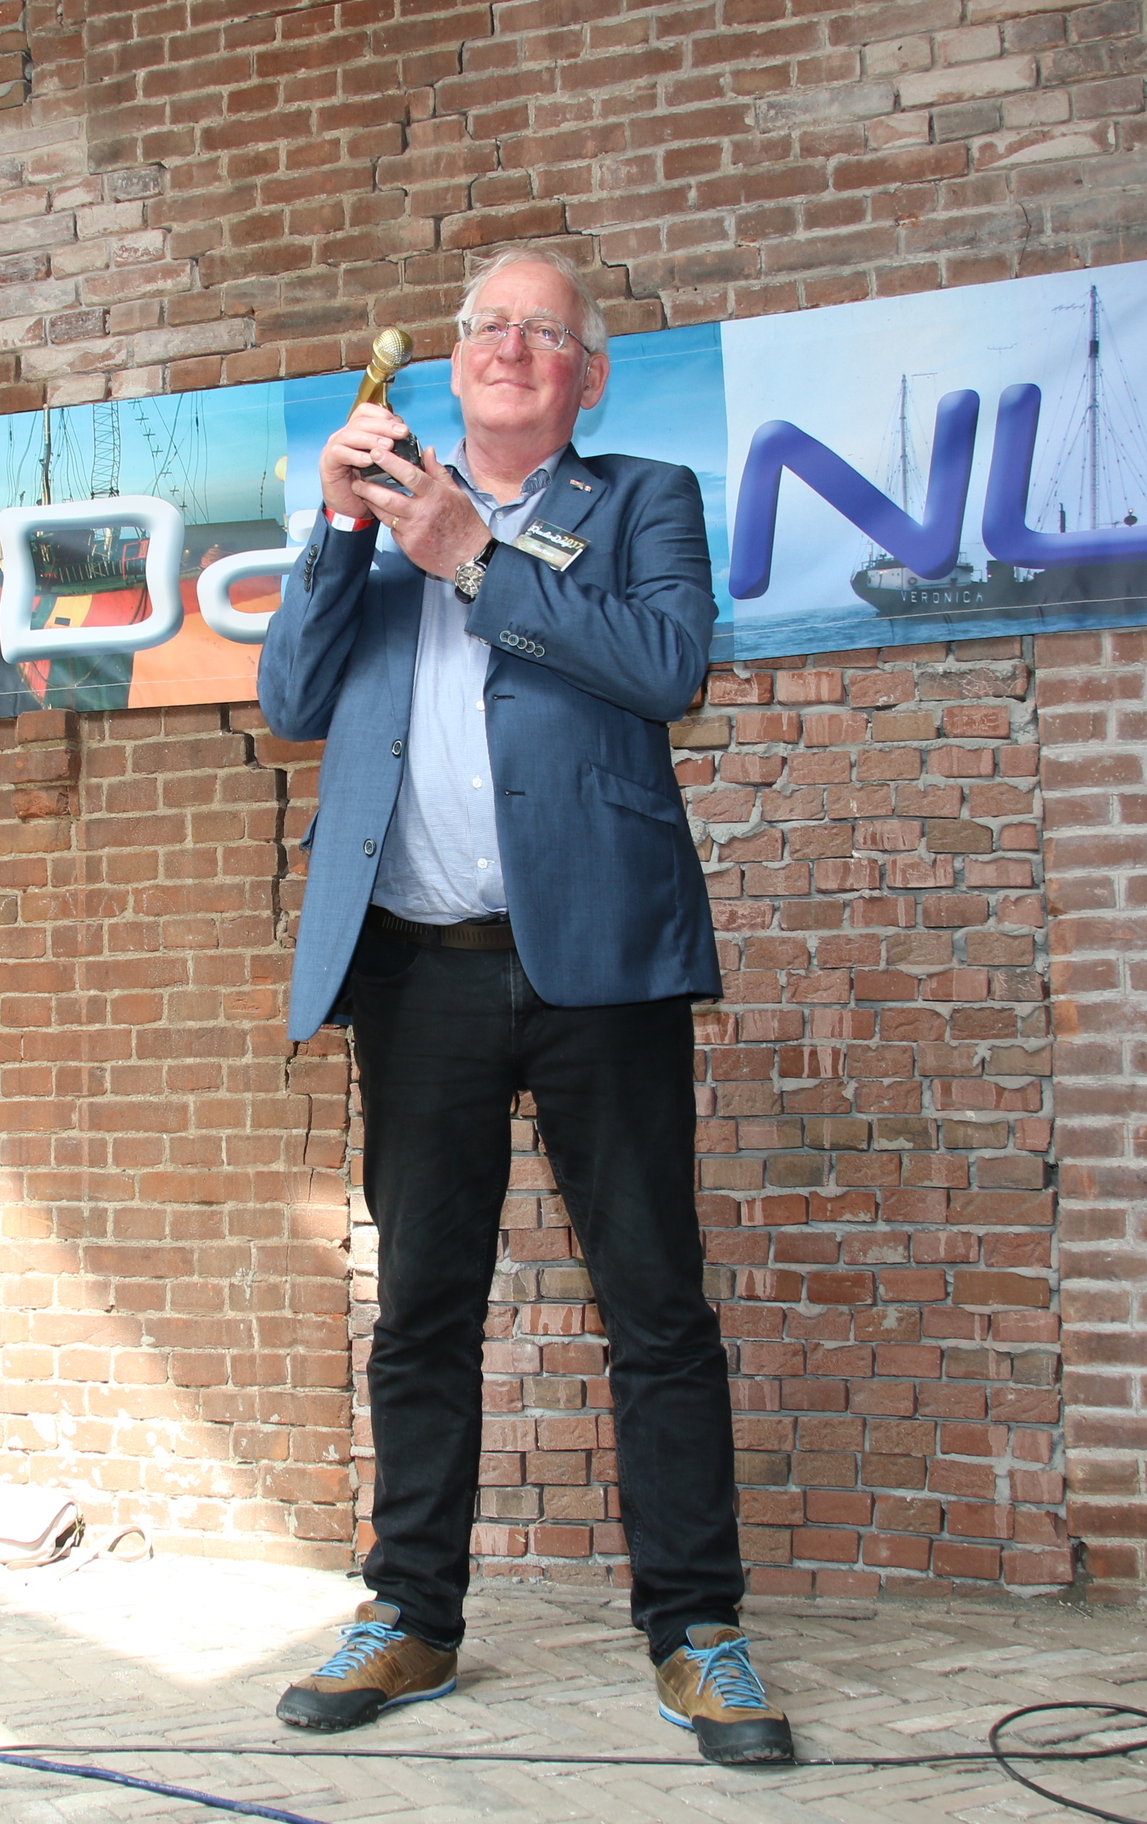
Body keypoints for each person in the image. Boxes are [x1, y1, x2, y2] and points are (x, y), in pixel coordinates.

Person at [255, 247, 796, 1766]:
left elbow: (667, 665)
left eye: (543, 331)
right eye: (489, 325)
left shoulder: (640, 501)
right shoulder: (377, 515)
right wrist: (343, 527)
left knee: (657, 1306)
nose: (510, 345)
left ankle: (696, 1629)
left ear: (587, 376)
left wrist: (475, 559)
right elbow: (292, 698)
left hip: (598, 959)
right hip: (417, 969)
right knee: (421, 1309)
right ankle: (410, 1613)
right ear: (452, 361)